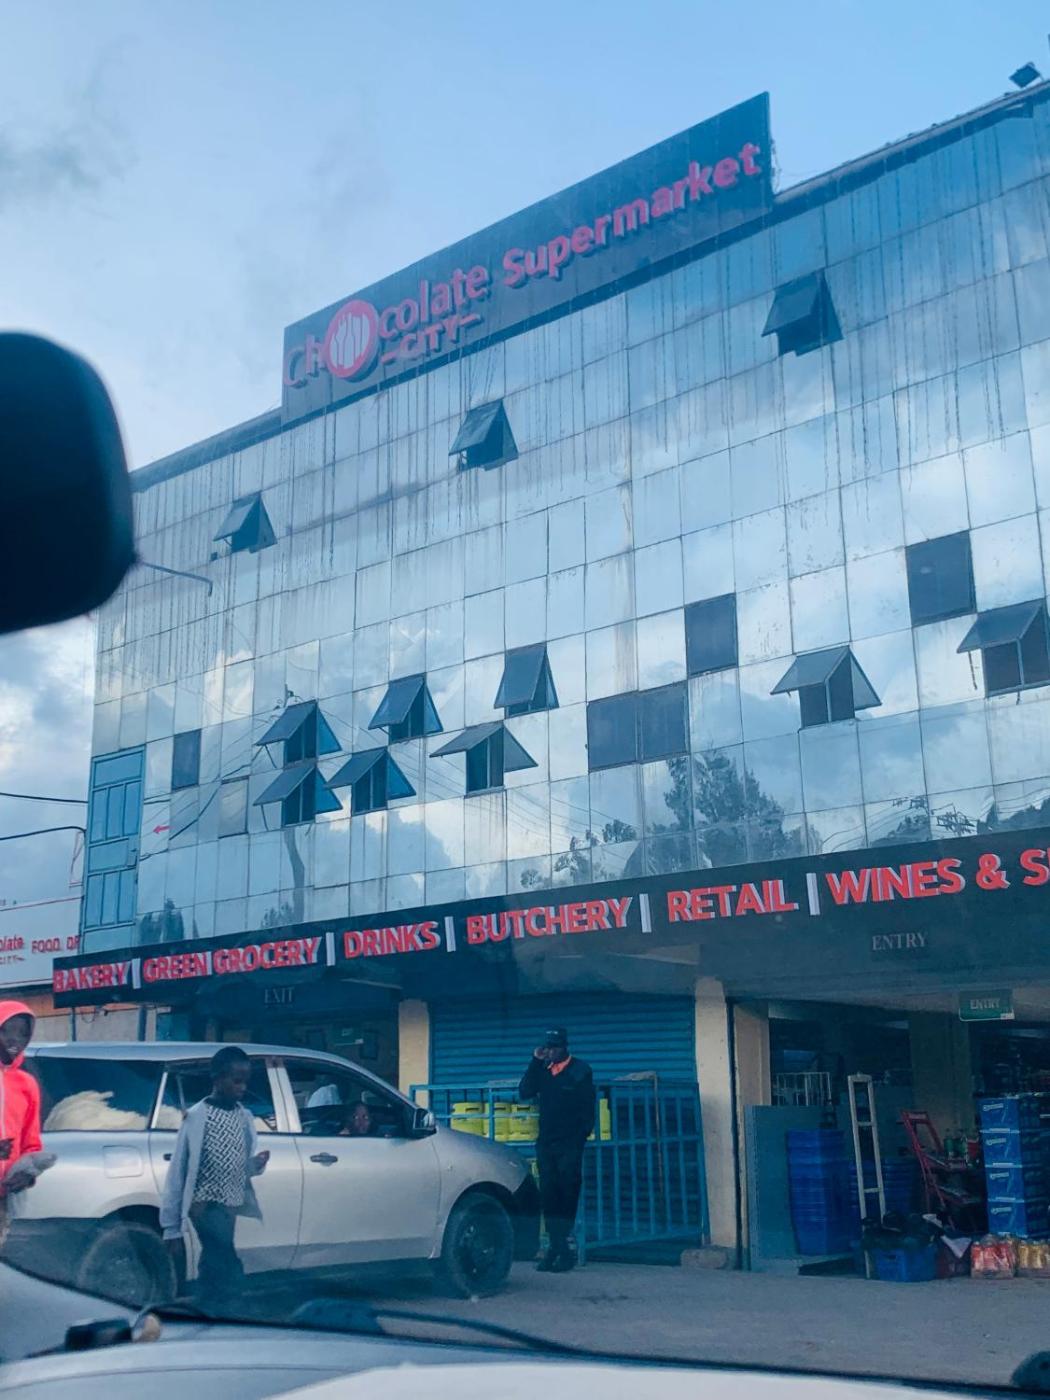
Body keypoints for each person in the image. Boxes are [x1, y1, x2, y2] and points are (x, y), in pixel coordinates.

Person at [160, 1046, 269, 1310]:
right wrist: (171, 1227)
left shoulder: (244, 1117)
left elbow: (240, 1164)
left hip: (231, 1201)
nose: (242, 1088)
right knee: (225, 1256)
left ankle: (208, 1305)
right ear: (217, 1079)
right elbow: (179, 1169)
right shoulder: (198, 1117)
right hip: (205, 1203)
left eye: (245, 1082)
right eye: (236, 1081)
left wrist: (255, 1165)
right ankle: (231, 1303)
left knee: (215, 1257)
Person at [519, 1026, 595, 1273]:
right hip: (547, 1142)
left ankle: (560, 1248)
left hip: (570, 1143)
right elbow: (525, 1091)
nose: (550, 1052)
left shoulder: (580, 1071)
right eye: (547, 1047)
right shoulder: (542, 1071)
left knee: (567, 1192)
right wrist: (535, 1061)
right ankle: (558, 1248)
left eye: (554, 1047)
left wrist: (580, 1136)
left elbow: (588, 1108)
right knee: (549, 1194)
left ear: (564, 1047)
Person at [0, 1000, 53, 1248]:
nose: (15, 1039)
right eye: (6, 1030)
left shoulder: (26, 1084)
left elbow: (31, 1144)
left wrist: (27, 1174)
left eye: (23, 1033)